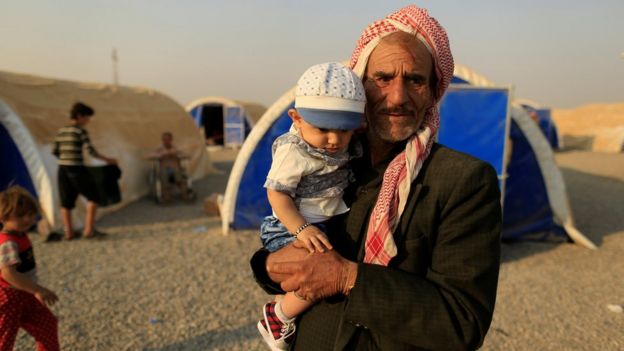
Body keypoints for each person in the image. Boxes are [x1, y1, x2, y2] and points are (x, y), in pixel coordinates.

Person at [249, 5, 502, 350]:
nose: (397, 98)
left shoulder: (463, 181)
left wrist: (348, 278)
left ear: (432, 90)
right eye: (383, 78)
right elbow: (282, 237)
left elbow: (462, 321)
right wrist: (266, 265)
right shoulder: (328, 159)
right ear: (359, 84)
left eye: (415, 80)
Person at [256, 62, 365, 350]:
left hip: (320, 224)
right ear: (296, 117)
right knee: (317, 273)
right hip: (291, 225)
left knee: (322, 271)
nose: (333, 139)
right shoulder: (294, 150)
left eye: (344, 130)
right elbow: (276, 195)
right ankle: (277, 317)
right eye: (323, 129)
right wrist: (301, 229)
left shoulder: (344, 144)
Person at [0, 186, 59, 350]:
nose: (28, 219)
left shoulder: (20, 234)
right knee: (4, 339)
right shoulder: (8, 242)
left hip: (25, 294)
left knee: (47, 324)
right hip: (10, 297)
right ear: (4, 217)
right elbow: (8, 273)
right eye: (20, 215)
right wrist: (37, 289)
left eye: (31, 214)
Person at [53, 102, 117, 240]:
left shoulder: (62, 130)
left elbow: (55, 151)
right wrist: (109, 160)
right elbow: (91, 151)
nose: (88, 121)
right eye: (87, 117)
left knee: (66, 202)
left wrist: (65, 159)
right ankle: (88, 230)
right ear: (80, 115)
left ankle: (68, 232)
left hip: (62, 169)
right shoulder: (80, 131)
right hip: (76, 168)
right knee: (94, 196)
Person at [147, 131, 191, 203]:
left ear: (171, 140)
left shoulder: (176, 148)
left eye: (167, 139)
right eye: (164, 139)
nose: (166, 141)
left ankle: (185, 195)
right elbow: (147, 156)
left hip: (176, 169)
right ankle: (167, 198)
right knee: (164, 178)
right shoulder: (160, 149)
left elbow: (188, 155)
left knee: (179, 178)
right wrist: (160, 155)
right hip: (164, 169)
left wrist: (178, 154)